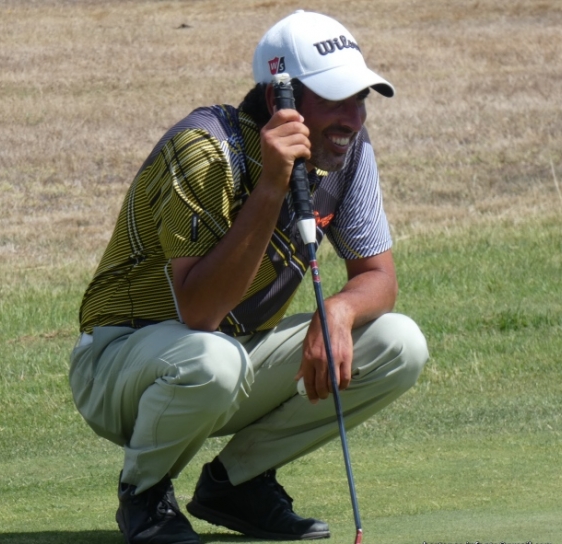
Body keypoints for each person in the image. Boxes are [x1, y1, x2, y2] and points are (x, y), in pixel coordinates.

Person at [69, 10, 428, 544]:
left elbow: (379, 276)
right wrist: (272, 190)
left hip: (228, 356)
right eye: (335, 99)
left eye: (361, 99)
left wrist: (339, 310)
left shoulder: (347, 150)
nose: (352, 118)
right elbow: (200, 312)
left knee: (399, 343)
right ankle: (143, 498)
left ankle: (235, 484)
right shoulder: (204, 150)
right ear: (279, 97)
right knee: (213, 359)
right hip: (121, 363)